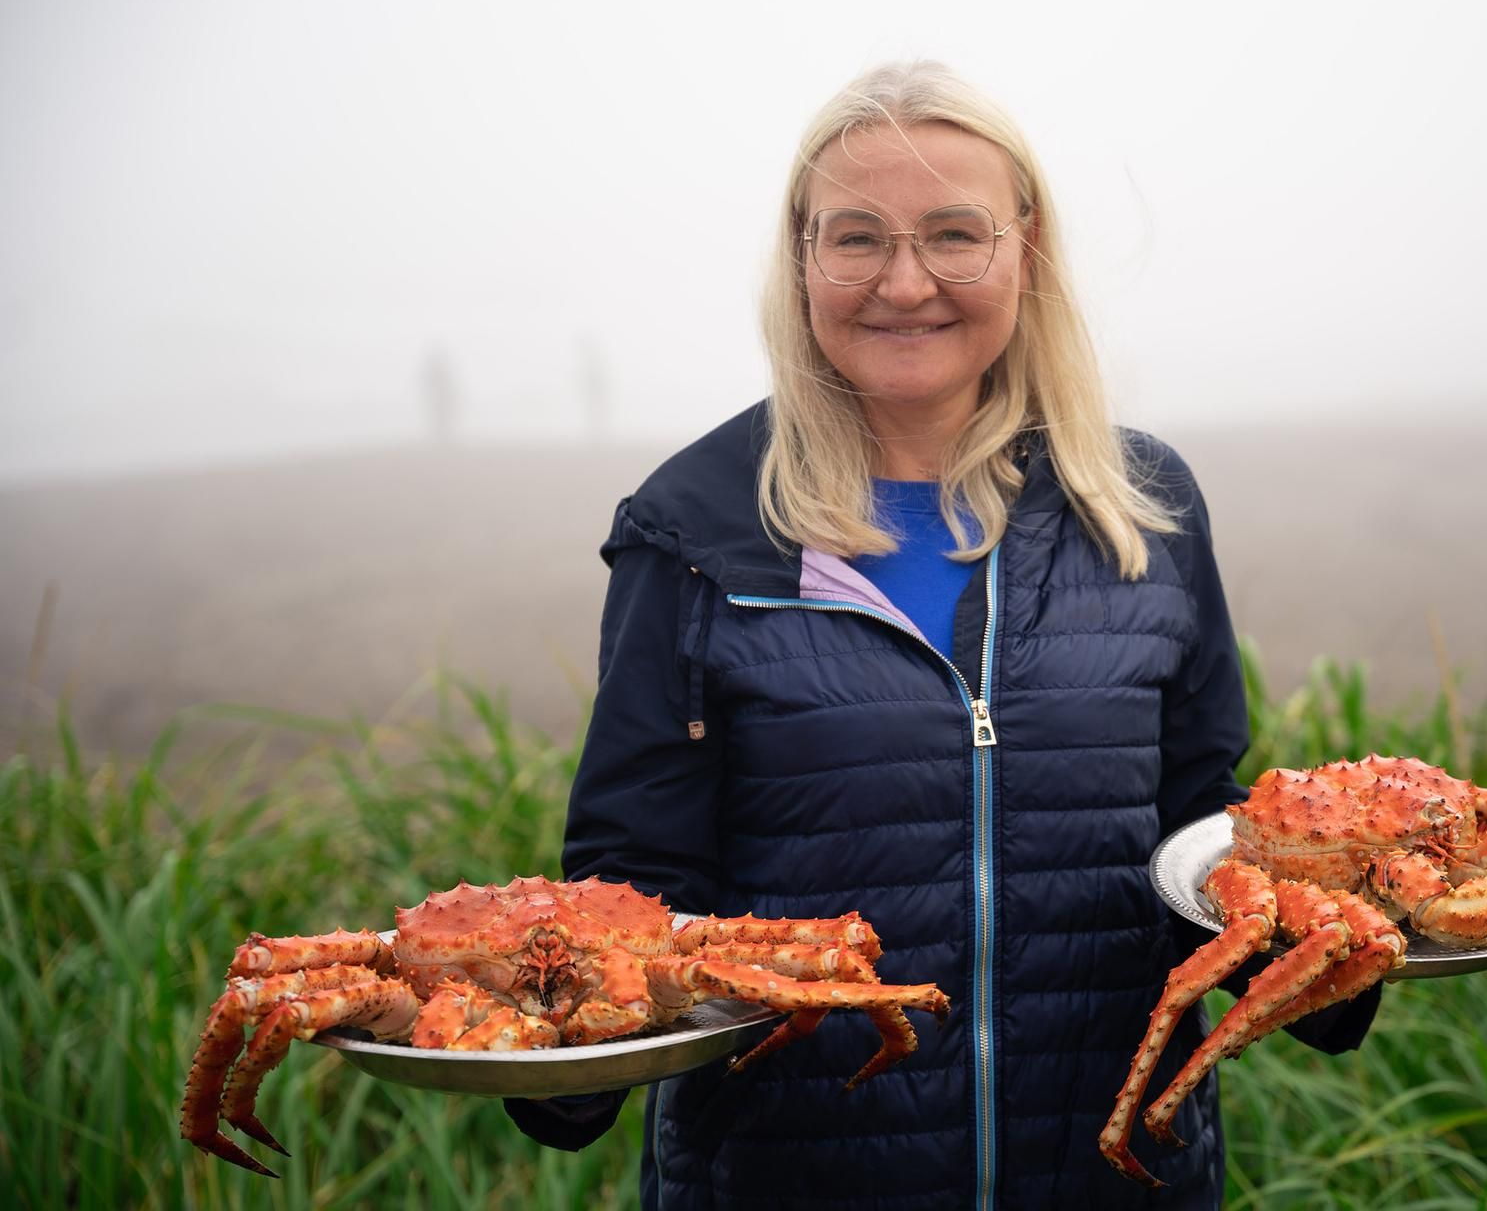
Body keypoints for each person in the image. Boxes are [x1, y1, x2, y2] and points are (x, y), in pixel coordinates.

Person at [505, 61, 1378, 1209]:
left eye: (954, 235)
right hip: (784, 1180)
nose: (904, 283)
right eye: (856, 237)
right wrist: (565, 1058)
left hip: (1119, 1177)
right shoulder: (697, 527)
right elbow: (636, 884)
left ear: (1026, 251)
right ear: (802, 257)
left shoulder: (1142, 503)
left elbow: (1195, 826)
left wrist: (1325, 948)